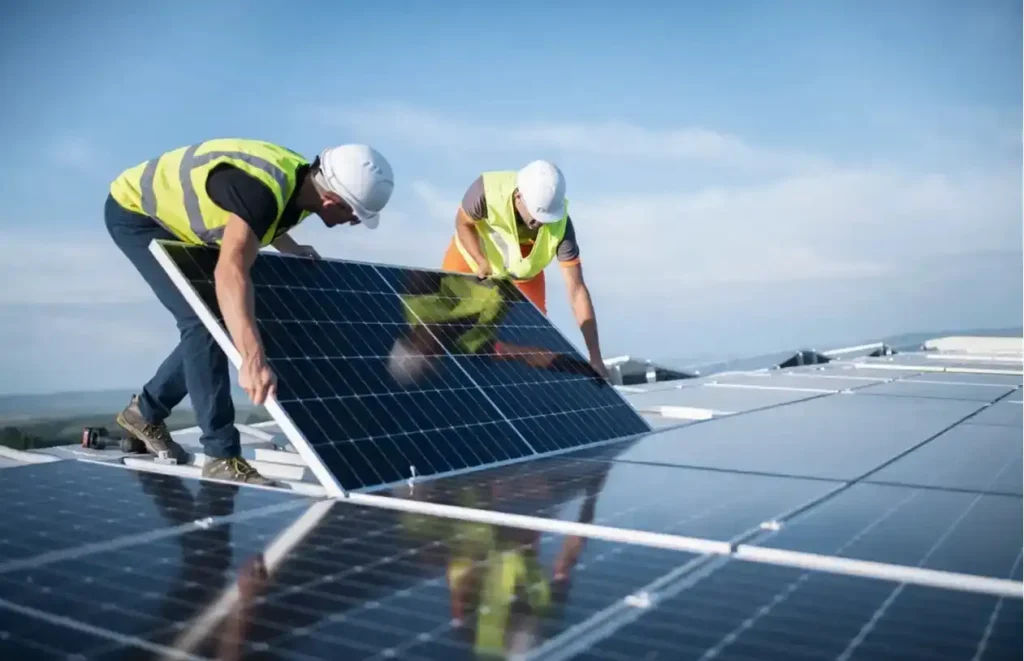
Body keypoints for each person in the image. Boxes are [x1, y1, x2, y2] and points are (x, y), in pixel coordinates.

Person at [105, 138, 394, 485]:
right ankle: (221, 455)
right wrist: (252, 360)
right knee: (202, 321)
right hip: (138, 213)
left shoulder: (306, 184)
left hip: (183, 224)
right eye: (355, 213)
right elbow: (231, 269)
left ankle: (145, 412)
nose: (355, 222)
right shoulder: (263, 190)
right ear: (332, 198)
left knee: (231, 317)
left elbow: (263, 218)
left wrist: (290, 247)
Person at [440, 160, 608, 378]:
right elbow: (463, 224)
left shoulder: (562, 227)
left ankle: (500, 364)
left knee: (532, 341)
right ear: (519, 196)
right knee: (446, 329)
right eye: (537, 216)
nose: (540, 224)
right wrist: (480, 260)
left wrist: (595, 356)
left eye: (546, 218)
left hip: (523, 274)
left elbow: (577, 290)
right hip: (471, 262)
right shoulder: (485, 191)